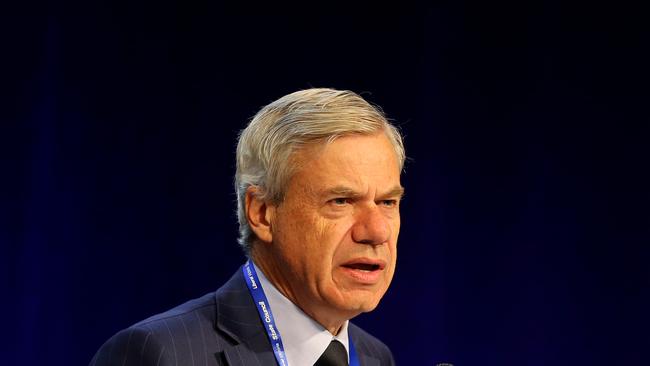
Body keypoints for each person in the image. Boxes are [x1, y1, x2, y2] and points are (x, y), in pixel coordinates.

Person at [90, 88, 405, 366]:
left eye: (388, 202)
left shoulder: (375, 357)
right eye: (341, 201)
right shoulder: (159, 355)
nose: (377, 231)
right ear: (263, 213)